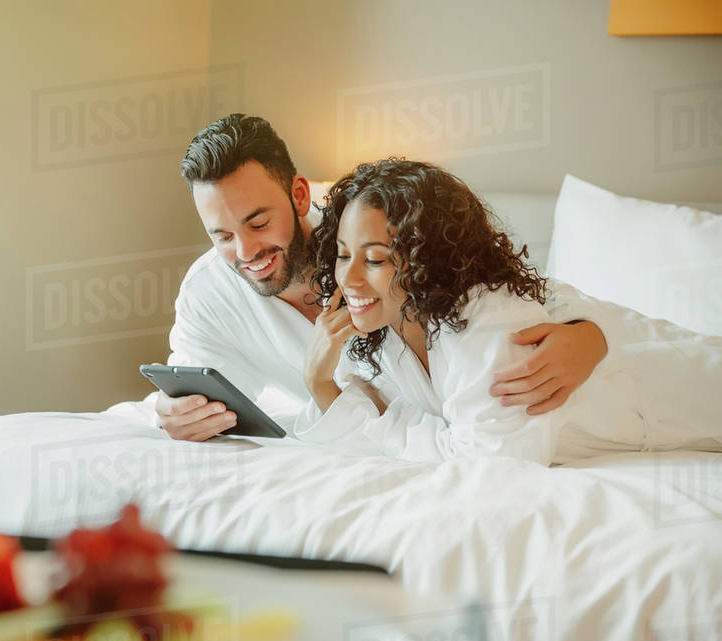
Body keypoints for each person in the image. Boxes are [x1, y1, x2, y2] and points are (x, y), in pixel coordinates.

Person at [155, 113, 610, 442]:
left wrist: (591, 335)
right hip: (403, 436)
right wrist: (171, 411)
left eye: (258, 224)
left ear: (297, 194)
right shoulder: (207, 291)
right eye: (221, 236)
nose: (245, 251)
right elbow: (188, 379)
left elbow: (506, 288)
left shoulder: (371, 233)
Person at [295, 158, 721, 464]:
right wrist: (318, 380)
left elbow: (492, 463)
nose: (347, 279)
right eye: (342, 254)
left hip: (688, 389)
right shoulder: (384, 330)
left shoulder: (493, 323)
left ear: (429, 260)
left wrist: (386, 418)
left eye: (374, 259)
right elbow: (371, 425)